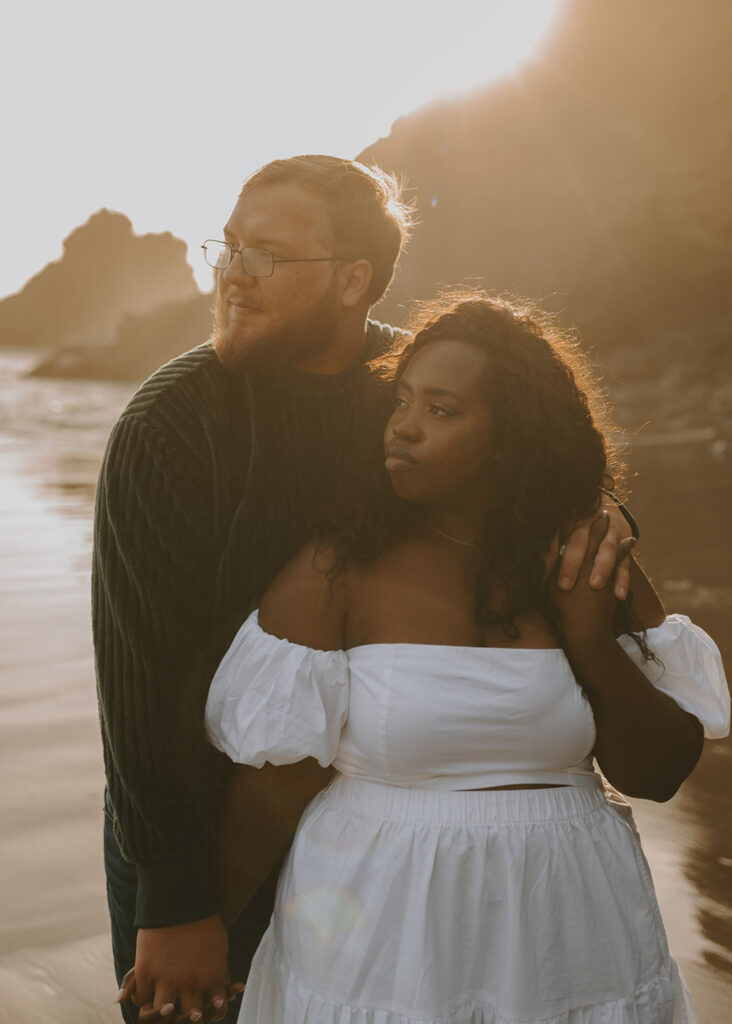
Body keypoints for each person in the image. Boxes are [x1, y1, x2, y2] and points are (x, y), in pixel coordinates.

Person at [96, 157, 635, 1024]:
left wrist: (602, 520)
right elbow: (139, 684)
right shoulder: (169, 426)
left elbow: (524, 466)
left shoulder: (414, 387)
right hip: (188, 830)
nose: (233, 272)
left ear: (354, 280)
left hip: (366, 833)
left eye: (266, 254)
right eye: (228, 247)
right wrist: (172, 898)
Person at [201, 294, 730, 1023]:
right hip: (384, 932)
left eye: (443, 411)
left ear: (512, 437)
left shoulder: (585, 559)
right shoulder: (342, 569)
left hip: (570, 934)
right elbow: (270, 793)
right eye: (403, 401)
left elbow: (660, 773)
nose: (404, 428)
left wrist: (586, 641)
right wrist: (198, 935)